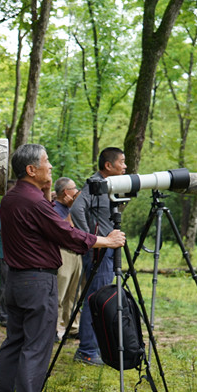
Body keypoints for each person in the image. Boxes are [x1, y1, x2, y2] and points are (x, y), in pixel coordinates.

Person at [0, 144, 125, 392]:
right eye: (46, 162)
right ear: (31, 169)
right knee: (37, 344)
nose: (50, 167)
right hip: (37, 281)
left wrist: (47, 192)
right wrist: (106, 241)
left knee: (14, 340)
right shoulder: (34, 202)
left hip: (15, 281)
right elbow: (66, 233)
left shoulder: (13, 198)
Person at [70, 147, 127, 365]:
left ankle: (94, 348)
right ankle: (87, 351)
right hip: (100, 251)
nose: (125, 166)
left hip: (109, 248)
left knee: (100, 297)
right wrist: (90, 240)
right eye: (121, 162)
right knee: (95, 299)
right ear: (108, 165)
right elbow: (76, 209)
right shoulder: (94, 185)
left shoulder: (110, 185)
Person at [52, 177, 82, 340]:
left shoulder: (72, 208)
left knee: (74, 294)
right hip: (62, 253)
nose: (77, 192)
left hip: (76, 254)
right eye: (74, 189)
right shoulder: (54, 208)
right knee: (59, 293)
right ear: (66, 192)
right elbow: (64, 230)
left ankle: (73, 327)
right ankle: (53, 329)